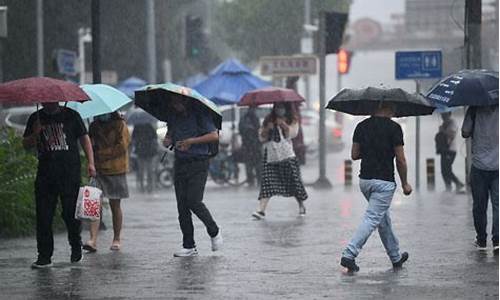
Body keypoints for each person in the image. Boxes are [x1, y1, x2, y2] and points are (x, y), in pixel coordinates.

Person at [340, 103, 412, 272]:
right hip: (384, 182)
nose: (395, 111)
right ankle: (349, 254)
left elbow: (354, 154)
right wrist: (405, 183)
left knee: (382, 219)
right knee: (372, 218)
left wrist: (371, 148)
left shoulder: (361, 126)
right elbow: (400, 160)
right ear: (387, 107)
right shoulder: (394, 128)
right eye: (393, 108)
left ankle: (395, 257)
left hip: (365, 181)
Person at [23, 102, 96, 269]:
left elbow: (84, 139)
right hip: (45, 175)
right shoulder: (36, 118)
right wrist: (35, 134)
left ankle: (76, 247)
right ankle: (44, 256)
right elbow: (25, 144)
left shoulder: (71, 116)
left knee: (70, 214)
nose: (48, 102)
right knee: (44, 216)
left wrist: (91, 163)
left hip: (69, 173)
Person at [162, 96, 222, 257]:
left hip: (199, 162)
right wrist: (167, 140)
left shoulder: (200, 113)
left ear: (185, 102)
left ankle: (214, 230)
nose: (175, 106)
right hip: (180, 163)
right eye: (172, 103)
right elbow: (169, 136)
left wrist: (191, 142)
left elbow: (214, 135)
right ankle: (189, 245)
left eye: (177, 103)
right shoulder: (173, 117)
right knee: (182, 206)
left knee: (194, 201)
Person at [252, 102, 308, 220]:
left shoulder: (292, 119)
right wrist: (268, 128)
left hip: (287, 156)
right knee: (267, 183)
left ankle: (301, 205)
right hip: (271, 157)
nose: (279, 110)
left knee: (294, 183)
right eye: (277, 107)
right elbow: (261, 137)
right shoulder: (268, 119)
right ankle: (261, 210)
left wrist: (284, 125)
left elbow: (293, 134)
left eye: (282, 107)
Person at [83, 112, 130, 252]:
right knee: (94, 205)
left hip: (116, 169)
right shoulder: (93, 126)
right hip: (98, 170)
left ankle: (116, 239)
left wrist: (102, 154)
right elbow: (88, 146)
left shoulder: (120, 125)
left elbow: (122, 146)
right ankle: (93, 240)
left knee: (115, 204)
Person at [462, 105, 499, 252]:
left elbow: (465, 132)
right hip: (499, 165)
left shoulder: (474, 109)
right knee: (498, 205)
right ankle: (498, 240)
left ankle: (482, 240)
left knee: (479, 205)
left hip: (479, 166)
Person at [437, 112, 464, 193]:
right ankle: (448, 187)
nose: (442, 117)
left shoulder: (452, 123)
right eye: (442, 115)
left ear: (449, 114)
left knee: (447, 169)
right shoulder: (444, 123)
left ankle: (458, 183)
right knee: (443, 170)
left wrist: (443, 130)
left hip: (450, 150)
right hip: (444, 150)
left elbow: (452, 135)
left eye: (444, 115)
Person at [238, 106, 262, 187]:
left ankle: (256, 180)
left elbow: (258, 130)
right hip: (249, 145)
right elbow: (242, 130)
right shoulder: (245, 119)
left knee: (256, 164)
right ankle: (251, 180)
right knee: (250, 164)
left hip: (254, 145)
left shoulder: (254, 118)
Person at [131, 122, 158, 193]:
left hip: (140, 151)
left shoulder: (137, 126)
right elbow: (155, 138)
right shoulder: (150, 126)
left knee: (141, 170)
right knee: (149, 170)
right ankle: (150, 186)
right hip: (149, 151)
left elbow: (133, 138)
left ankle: (142, 186)